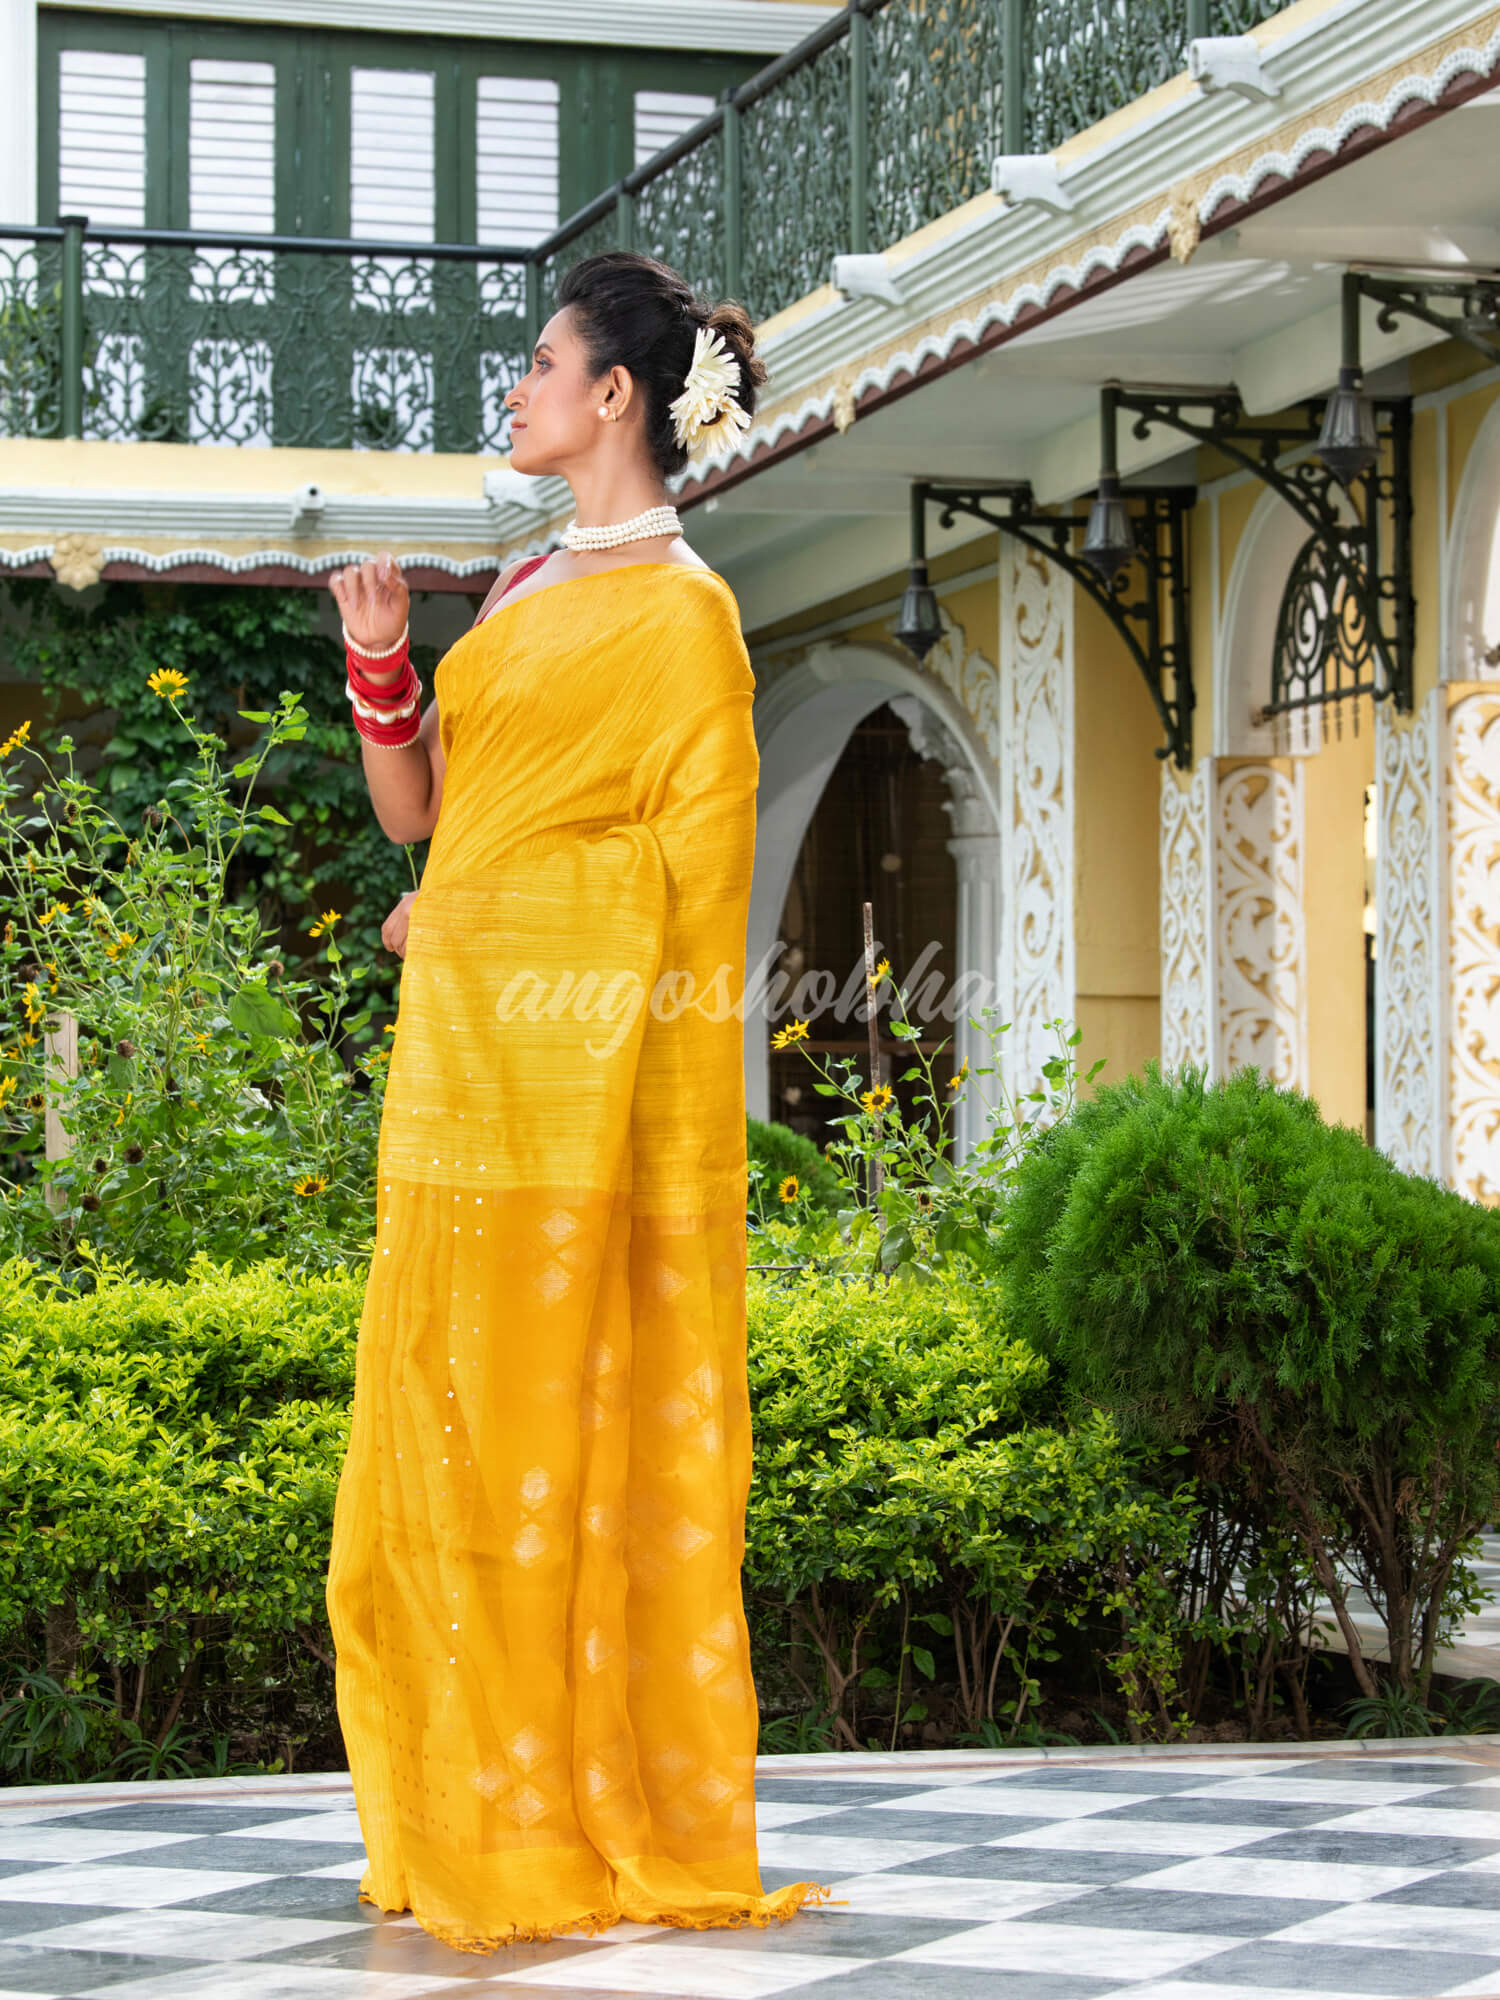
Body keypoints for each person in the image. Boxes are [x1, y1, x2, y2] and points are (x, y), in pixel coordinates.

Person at [323, 250, 832, 1954]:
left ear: (618, 395)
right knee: (441, 1463)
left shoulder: (686, 617)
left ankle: (564, 1814)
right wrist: (387, 669)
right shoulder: (528, 589)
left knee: (545, 1454)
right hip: (463, 1095)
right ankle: (460, 1803)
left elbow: (683, 888)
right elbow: (427, 825)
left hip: (567, 1123)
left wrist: (469, 913)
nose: (521, 387)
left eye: (542, 363)